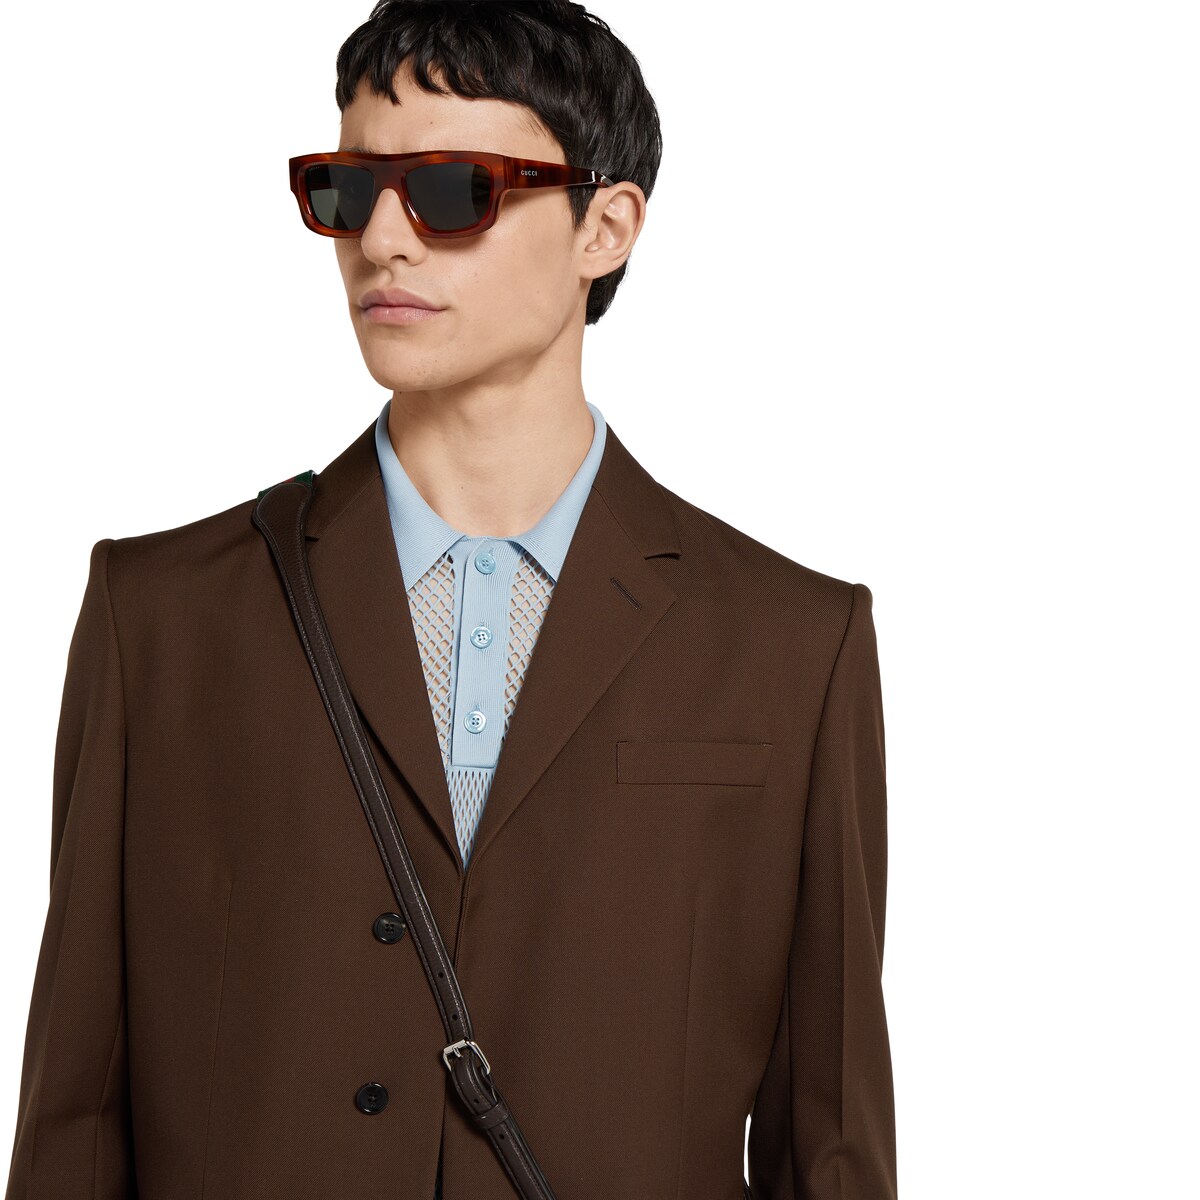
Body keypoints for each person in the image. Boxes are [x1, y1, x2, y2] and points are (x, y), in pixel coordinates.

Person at [3, 2, 897, 1197]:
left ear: (605, 227)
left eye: (452, 191)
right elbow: (73, 1123)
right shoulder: (160, 620)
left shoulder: (790, 646)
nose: (382, 239)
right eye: (345, 190)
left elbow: (830, 1148)